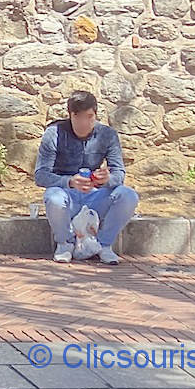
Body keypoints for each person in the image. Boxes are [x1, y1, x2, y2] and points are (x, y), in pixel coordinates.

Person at [34, 89, 140, 265]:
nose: (84, 122)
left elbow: (119, 174)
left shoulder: (107, 135)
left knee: (128, 196)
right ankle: (65, 243)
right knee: (53, 197)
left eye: (90, 116)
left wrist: (107, 180)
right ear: (70, 115)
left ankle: (103, 245)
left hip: (95, 195)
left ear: (96, 115)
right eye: (78, 117)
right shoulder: (54, 134)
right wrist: (69, 181)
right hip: (66, 194)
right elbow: (40, 176)